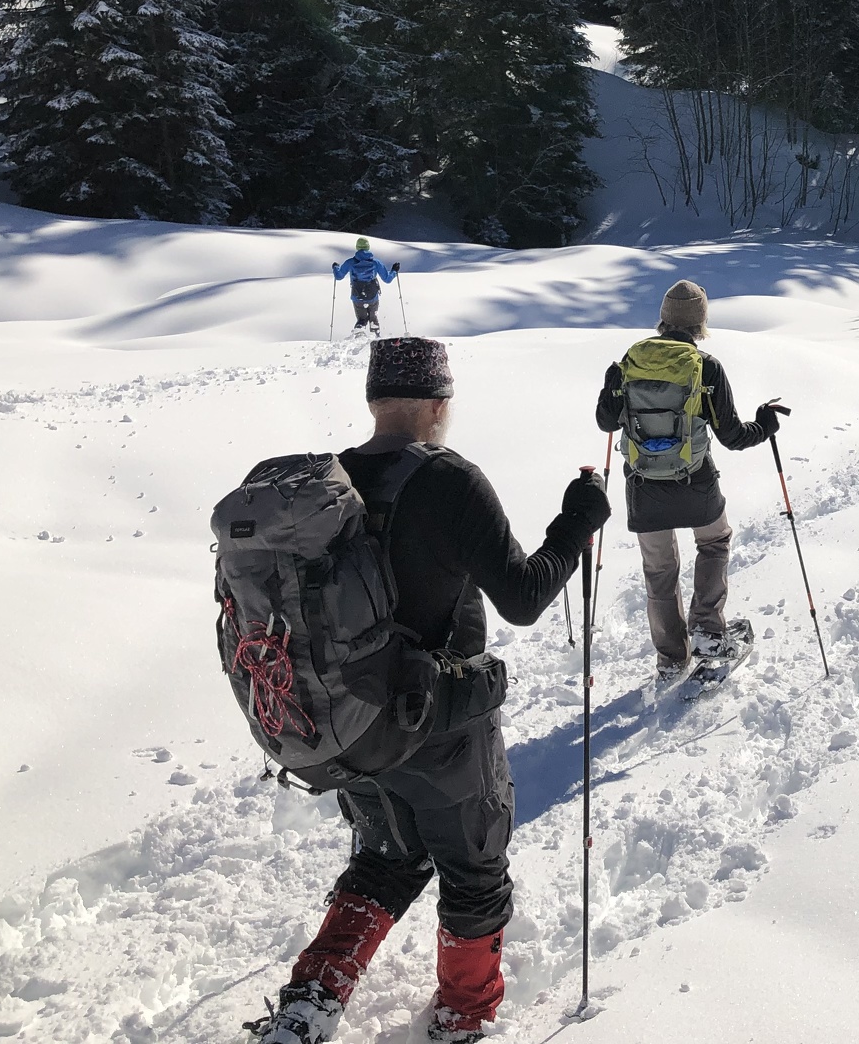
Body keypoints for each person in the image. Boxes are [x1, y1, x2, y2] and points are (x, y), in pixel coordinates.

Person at [251, 337, 609, 1044]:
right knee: (474, 868)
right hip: (442, 728)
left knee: (386, 854)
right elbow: (523, 597)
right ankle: (461, 1018)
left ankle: (311, 1000)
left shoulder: (329, 485)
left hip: (349, 726)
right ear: (440, 404)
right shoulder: (451, 480)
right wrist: (576, 522)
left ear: (374, 401)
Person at [595, 281, 787, 680]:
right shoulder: (706, 367)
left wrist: (614, 390)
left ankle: (670, 657)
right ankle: (707, 631)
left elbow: (605, 422)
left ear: (663, 318)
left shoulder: (627, 363)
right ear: (700, 322)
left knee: (659, 569)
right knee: (714, 542)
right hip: (695, 481)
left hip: (643, 486)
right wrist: (765, 425)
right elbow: (732, 436)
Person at [332, 239, 397, 332]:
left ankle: (359, 336)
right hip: (373, 296)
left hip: (357, 296)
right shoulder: (376, 263)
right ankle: (376, 337)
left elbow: (338, 276)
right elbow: (387, 279)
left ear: (357, 247)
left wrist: (335, 267)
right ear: (368, 247)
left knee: (361, 320)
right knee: (373, 319)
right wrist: (394, 271)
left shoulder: (350, 262)